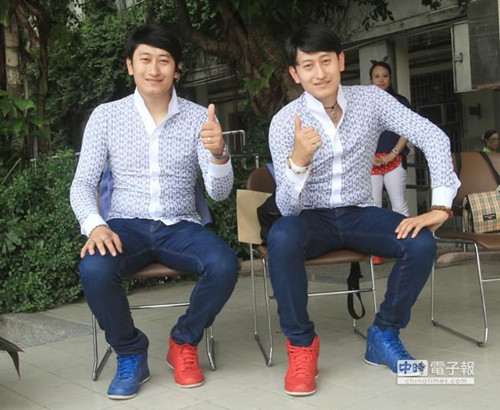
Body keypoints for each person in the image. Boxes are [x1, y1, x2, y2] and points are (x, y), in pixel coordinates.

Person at [267, 24, 460, 396]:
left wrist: (440, 205)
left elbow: (431, 135)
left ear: (341, 61)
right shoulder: (284, 122)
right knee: (282, 235)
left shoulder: (371, 100)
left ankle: (383, 334)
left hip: (359, 213)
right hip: (310, 218)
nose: (319, 73)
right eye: (307, 65)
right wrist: (299, 161)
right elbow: (287, 207)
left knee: (420, 242)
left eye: (326, 61)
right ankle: (302, 346)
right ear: (295, 73)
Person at [70, 24, 239, 400]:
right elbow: (82, 184)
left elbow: (219, 193)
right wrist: (95, 226)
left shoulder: (199, 118)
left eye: (164, 60)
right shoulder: (106, 116)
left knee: (225, 264)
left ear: (177, 69)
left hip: (181, 226)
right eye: (145, 59)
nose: (154, 69)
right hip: (124, 227)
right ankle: (131, 352)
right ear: (130, 66)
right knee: (94, 268)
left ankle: (183, 341)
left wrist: (218, 154)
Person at [369, 59, 411, 265]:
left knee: (399, 204)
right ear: (371, 79)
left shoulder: (400, 101)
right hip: (370, 162)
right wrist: (368, 156)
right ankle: (375, 250)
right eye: (376, 76)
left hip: (394, 159)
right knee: (373, 206)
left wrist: (393, 154)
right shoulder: (363, 103)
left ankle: (408, 246)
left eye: (384, 76)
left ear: (390, 79)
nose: (381, 80)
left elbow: (407, 129)